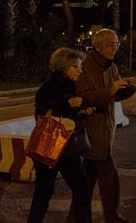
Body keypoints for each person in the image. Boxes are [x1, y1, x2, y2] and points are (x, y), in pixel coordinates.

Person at [69, 28, 136, 223]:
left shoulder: (111, 67)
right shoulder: (85, 67)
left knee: (87, 180)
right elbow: (82, 98)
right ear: (98, 46)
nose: (114, 48)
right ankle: (112, 216)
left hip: (106, 130)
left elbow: (113, 96)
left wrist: (128, 88)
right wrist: (111, 88)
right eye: (110, 44)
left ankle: (74, 217)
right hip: (91, 130)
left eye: (116, 44)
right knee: (109, 175)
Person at [28, 48, 94, 223]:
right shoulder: (48, 88)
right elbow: (43, 117)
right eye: (76, 67)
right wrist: (67, 104)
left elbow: (65, 119)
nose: (80, 70)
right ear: (64, 68)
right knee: (44, 192)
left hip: (66, 149)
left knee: (81, 188)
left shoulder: (69, 87)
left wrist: (81, 113)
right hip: (50, 148)